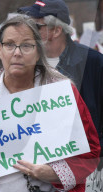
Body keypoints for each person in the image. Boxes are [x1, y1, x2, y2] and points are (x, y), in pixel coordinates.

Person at [0, 16, 100, 192]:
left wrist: (53, 173)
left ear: (38, 52)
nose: (17, 52)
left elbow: (90, 151)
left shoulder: (63, 95)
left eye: (26, 45)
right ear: (0, 49)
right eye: (9, 44)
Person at [17, 0, 103, 157]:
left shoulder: (93, 62)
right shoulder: (21, 63)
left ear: (56, 31)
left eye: (35, 26)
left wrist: (92, 155)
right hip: (37, 162)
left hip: (84, 165)